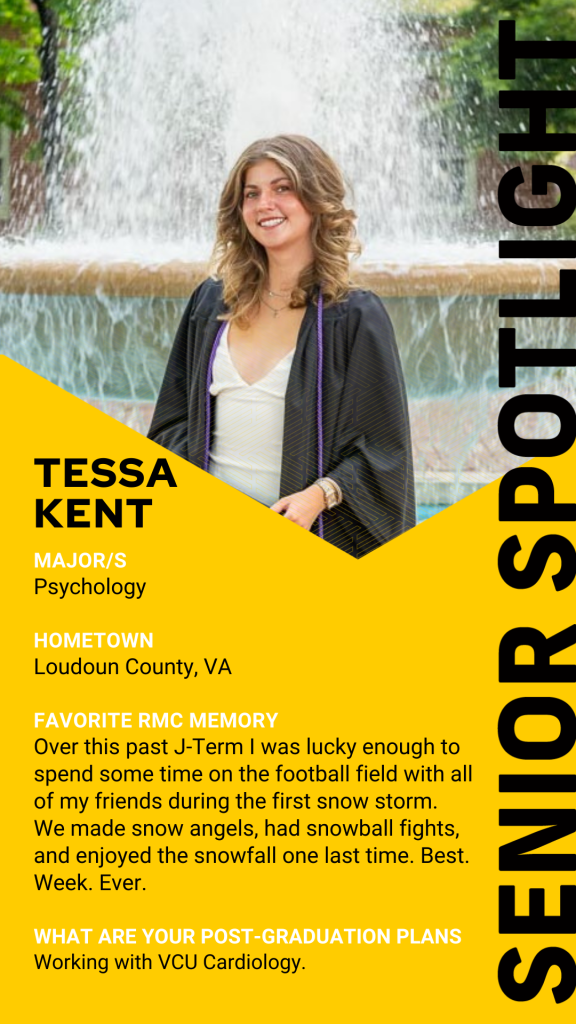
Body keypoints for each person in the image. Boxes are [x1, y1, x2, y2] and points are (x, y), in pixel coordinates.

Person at [148, 134, 415, 558]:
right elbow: (170, 422)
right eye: (251, 194)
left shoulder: (353, 317)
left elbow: (384, 450)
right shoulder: (211, 304)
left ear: (315, 198)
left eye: (282, 188)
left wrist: (320, 495)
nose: (264, 205)